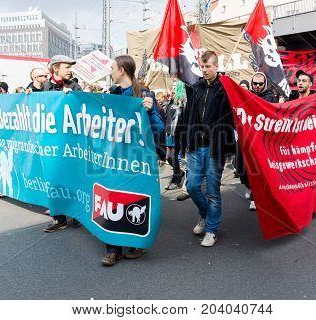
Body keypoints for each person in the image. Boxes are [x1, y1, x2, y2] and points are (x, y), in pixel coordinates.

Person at [101, 55, 166, 266]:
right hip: (115, 158)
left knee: (135, 198)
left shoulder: (144, 94)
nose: (109, 72)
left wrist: (150, 110)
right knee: (112, 198)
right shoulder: (111, 94)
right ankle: (113, 249)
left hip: (137, 158)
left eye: (112, 68)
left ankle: (137, 243)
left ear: (121, 71)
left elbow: (159, 128)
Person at [179, 50, 236, 247]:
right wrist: (185, 141)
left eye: (208, 66)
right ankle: (205, 215)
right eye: (202, 67)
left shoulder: (226, 88)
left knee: (212, 191)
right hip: (196, 146)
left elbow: (234, 114)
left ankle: (211, 230)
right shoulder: (196, 88)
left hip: (215, 147)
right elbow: (188, 116)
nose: (204, 70)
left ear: (216, 66)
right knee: (193, 186)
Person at [40, 55, 83, 232]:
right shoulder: (44, 86)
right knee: (54, 178)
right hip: (51, 141)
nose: (70, 69)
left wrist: (71, 98)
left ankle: (78, 213)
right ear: (56, 68)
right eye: (67, 66)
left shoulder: (75, 86)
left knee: (74, 177)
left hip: (71, 142)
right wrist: (28, 95)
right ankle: (59, 219)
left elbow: (83, 108)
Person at [237, 72, 279, 211]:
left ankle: (256, 196)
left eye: (260, 84)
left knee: (259, 170)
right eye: (255, 83)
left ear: (265, 84)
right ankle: (249, 186)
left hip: (262, 139)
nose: (257, 86)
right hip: (246, 137)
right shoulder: (246, 95)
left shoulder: (270, 97)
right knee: (241, 168)